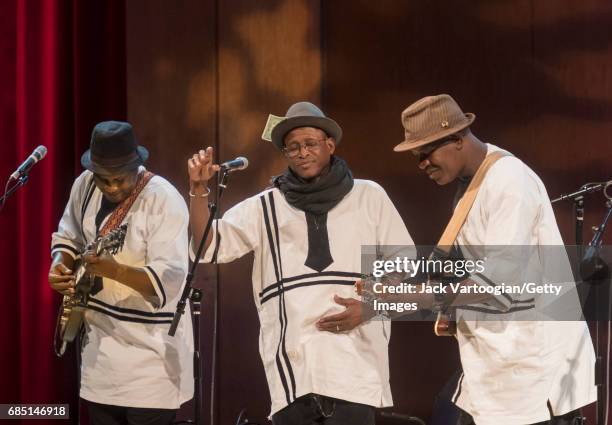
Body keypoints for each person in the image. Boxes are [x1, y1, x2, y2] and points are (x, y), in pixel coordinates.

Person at [188, 102, 414, 424]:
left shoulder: (368, 196)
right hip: (293, 369)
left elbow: (403, 262)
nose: (302, 153)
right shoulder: (265, 206)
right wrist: (198, 191)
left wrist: (370, 306)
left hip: (354, 363)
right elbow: (206, 247)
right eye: (292, 147)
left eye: (310, 144)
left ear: (330, 145)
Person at [393, 94, 596, 425]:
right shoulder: (471, 188)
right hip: (498, 361)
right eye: (417, 158)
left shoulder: (508, 181)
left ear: (457, 139)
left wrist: (418, 297)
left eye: (426, 153)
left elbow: (495, 286)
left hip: (532, 364)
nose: (422, 165)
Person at [49, 121, 193, 425]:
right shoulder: (84, 185)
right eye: (104, 180)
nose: (112, 187)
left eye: (120, 179)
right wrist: (60, 264)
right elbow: (69, 234)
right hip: (99, 356)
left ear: (137, 166)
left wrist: (115, 271)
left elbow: (170, 278)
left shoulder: (164, 199)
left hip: (151, 362)